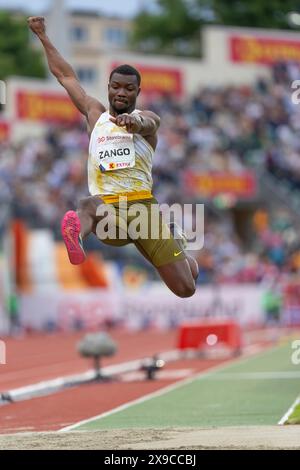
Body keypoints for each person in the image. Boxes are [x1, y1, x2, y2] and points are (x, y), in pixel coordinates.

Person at [28, 16, 198, 298]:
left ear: (137, 92)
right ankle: (76, 239)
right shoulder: (95, 115)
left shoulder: (147, 119)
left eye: (129, 89)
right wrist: (42, 36)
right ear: (108, 86)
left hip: (144, 211)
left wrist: (134, 123)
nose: (121, 93)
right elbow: (66, 76)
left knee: (186, 288)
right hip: (110, 213)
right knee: (87, 204)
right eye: (116, 86)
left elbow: (149, 124)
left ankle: (184, 254)